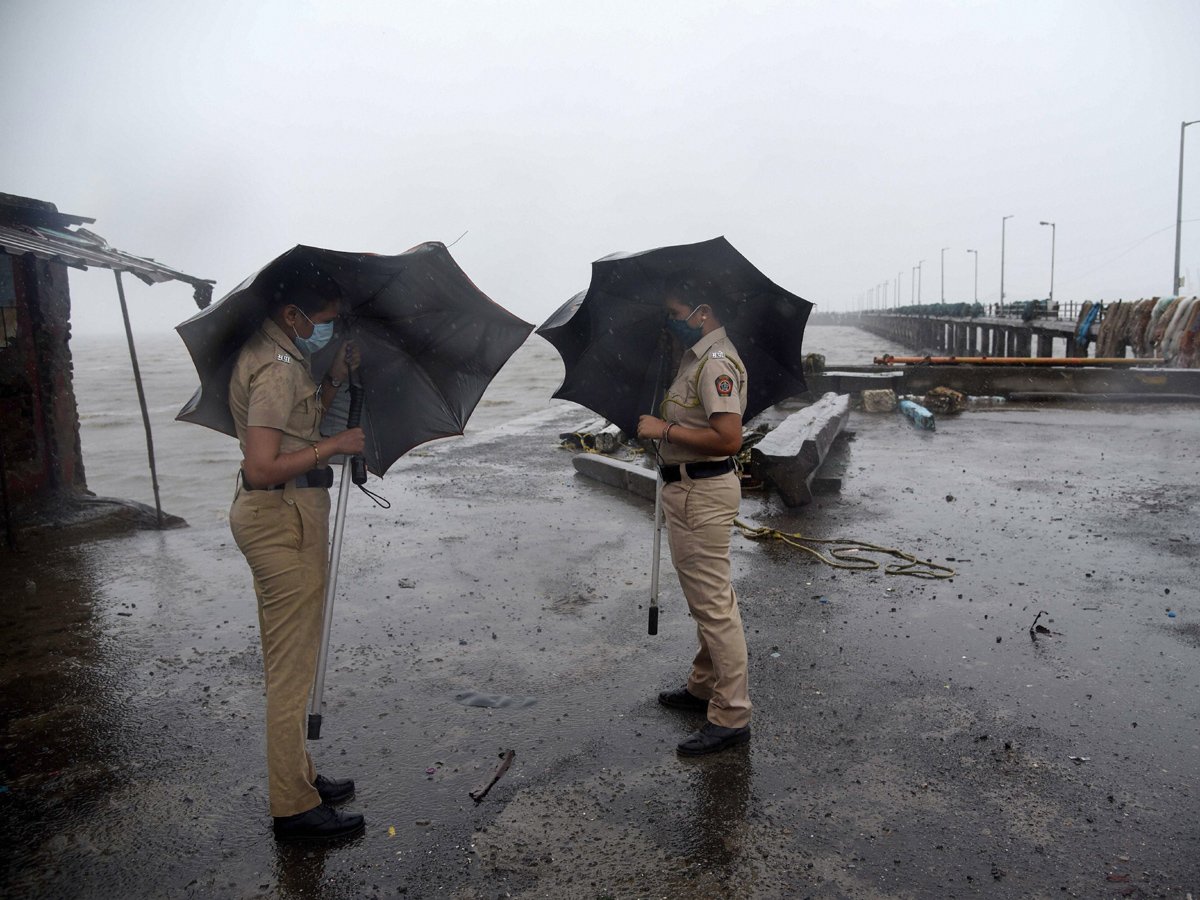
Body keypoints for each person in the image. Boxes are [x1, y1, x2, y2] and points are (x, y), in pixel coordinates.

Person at [228, 268, 367, 841]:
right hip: (281, 517)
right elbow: (263, 465)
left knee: (288, 659)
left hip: (281, 513)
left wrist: (332, 379)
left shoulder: (284, 358)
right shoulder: (278, 370)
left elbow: (292, 431)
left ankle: (301, 776)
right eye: (325, 321)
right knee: (291, 672)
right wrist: (335, 446)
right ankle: (293, 808)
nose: (326, 331)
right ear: (295, 317)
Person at [637, 280, 752, 757]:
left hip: (702, 492)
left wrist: (664, 429)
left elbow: (729, 439)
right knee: (708, 597)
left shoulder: (716, 364)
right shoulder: (694, 358)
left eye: (674, 312)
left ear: (702, 312)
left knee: (713, 606)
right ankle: (704, 686)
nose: (670, 321)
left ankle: (732, 715)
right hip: (687, 487)